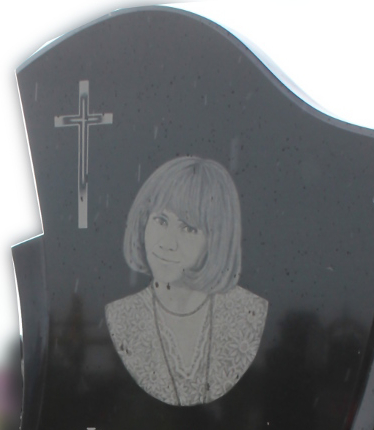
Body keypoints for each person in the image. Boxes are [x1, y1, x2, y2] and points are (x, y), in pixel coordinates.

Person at [105, 155, 268, 406]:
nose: (168, 243)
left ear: (215, 239)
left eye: (188, 228)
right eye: (161, 221)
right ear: (143, 222)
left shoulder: (249, 313)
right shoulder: (121, 316)